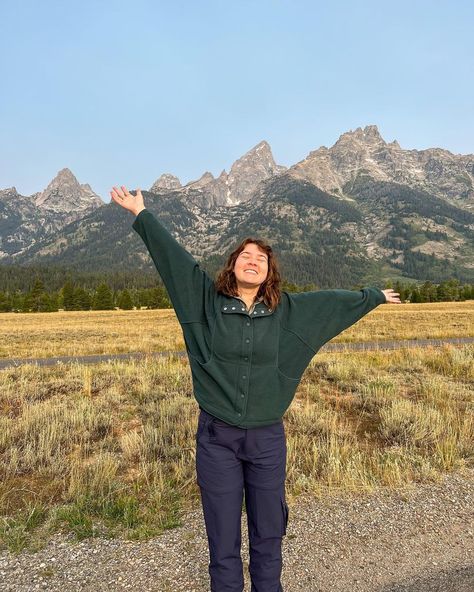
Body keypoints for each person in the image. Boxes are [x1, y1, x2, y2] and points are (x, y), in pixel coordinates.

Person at [110, 185, 401, 592]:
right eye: (245, 256)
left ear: (268, 272)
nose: (253, 261)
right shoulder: (204, 302)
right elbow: (174, 262)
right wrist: (142, 214)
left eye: (260, 259)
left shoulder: (286, 312)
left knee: (268, 532)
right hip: (217, 438)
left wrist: (372, 297)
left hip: (267, 440)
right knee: (222, 537)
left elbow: (331, 305)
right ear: (232, 267)